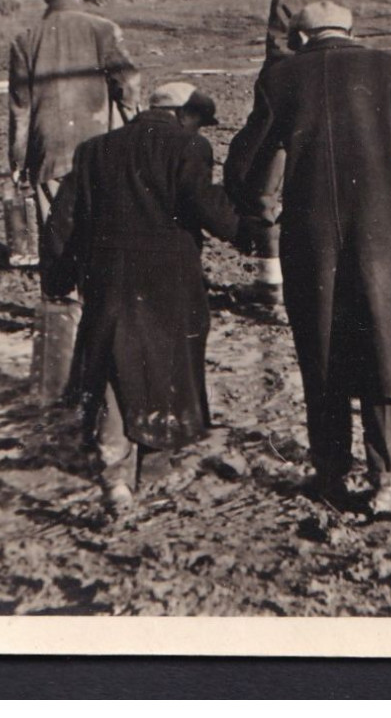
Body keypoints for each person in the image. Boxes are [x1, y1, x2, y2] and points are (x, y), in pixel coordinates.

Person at [225, 0, 391, 516]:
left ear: (302, 38)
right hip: (384, 231)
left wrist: (258, 212)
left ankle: (331, 474)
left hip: (310, 236)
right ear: (353, 31)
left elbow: (243, 167)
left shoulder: (281, 79)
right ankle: (389, 477)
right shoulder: (390, 67)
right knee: (384, 341)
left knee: (322, 348)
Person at [44, 83, 263, 513]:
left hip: (107, 276)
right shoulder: (188, 146)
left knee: (113, 366)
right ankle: (155, 469)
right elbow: (206, 207)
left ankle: (115, 476)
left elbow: (63, 220)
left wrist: (58, 277)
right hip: (169, 279)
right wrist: (250, 234)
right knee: (165, 367)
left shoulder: (94, 150)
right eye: (198, 120)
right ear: (183, 114)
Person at [8, 0, 140, 402]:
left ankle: (64, 332)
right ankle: (102, 325)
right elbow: (128, 80)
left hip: (48, 153)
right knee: (102, 230)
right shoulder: (103, 29)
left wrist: (18, 161)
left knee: (56, 239)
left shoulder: (26, 39)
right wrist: (133, 119)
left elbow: (20, 108)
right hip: (97, 147)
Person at [244, 0, 337, 312]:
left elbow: (278, 53)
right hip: (331, 100)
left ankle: (271, 284)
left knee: (264, 186)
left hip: (289, 101)